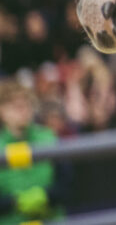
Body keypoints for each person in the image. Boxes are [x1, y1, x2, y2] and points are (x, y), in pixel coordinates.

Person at [0, 80, 67, 224]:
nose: (22, 109)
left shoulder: (49, 137)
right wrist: (15, 202)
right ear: (2, 111)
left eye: (26, 104)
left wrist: (45, 196)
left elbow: (66, 182)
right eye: (15, 106)